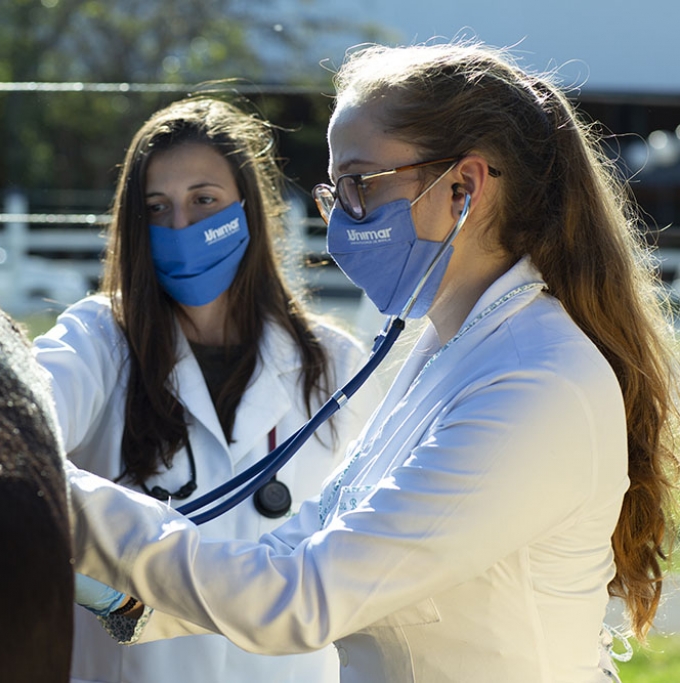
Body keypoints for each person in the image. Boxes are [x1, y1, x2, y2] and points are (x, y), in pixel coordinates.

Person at [69, 42, 679, 683]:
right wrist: (116, 590)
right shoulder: (451, 349)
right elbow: (300, 540)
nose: (340, 225)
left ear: (463, 187)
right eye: (338, 191)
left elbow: (305, 598)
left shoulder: (537, 383)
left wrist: (60, 492)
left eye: (361, 184)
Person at [34, 96, 381, 682]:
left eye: (204, 201)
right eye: (157, 208)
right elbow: (23, 416)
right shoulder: (97, 339)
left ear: (248, 209)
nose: (181, 228)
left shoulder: (336, 365)